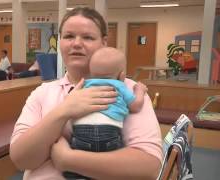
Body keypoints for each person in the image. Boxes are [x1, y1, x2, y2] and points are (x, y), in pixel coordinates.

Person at [10, 7, 162, 180]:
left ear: (104, 43)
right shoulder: (43, 92)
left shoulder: (128, 89)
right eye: (68, 36)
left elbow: (148, 167)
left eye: (88, 37)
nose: (76, 43)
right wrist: (64, 111)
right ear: (60, 42)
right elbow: (21, 160)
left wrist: (69, 160)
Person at [63, 47, 148, 179]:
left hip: (81, 133)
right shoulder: (119, 85)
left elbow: (70, 102)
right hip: (109, 133)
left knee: (75, 168)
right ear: (122, 75)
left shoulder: (84, 84)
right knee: (116, 164)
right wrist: (140, 90)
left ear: (91, 72)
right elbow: (135, 106)